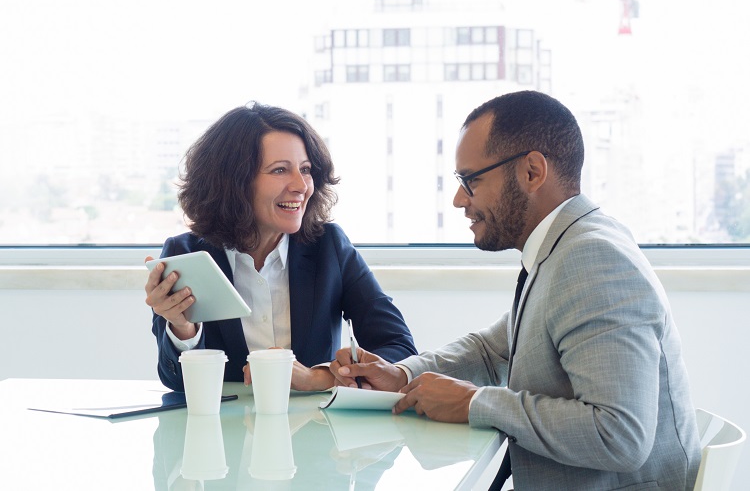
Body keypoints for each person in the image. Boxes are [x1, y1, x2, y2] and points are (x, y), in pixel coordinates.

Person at [332, 91, 700, 490]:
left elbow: (620, 435)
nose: (459, 200)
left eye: (471, 180)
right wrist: (401, 374)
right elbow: (494, 349)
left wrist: (475, 402)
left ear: (531, 172)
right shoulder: (566, 246)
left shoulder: (592, 259)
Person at [145, 103, 416, 393]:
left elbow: (399, 348)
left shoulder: (329, 246)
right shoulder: (186, 255)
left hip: (315, 430)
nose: (301, 185)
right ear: (233, 182)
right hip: (224, 432)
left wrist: (322, 377)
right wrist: (182, 328)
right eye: (279, 170)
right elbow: (176, 381)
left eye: (306, 169)